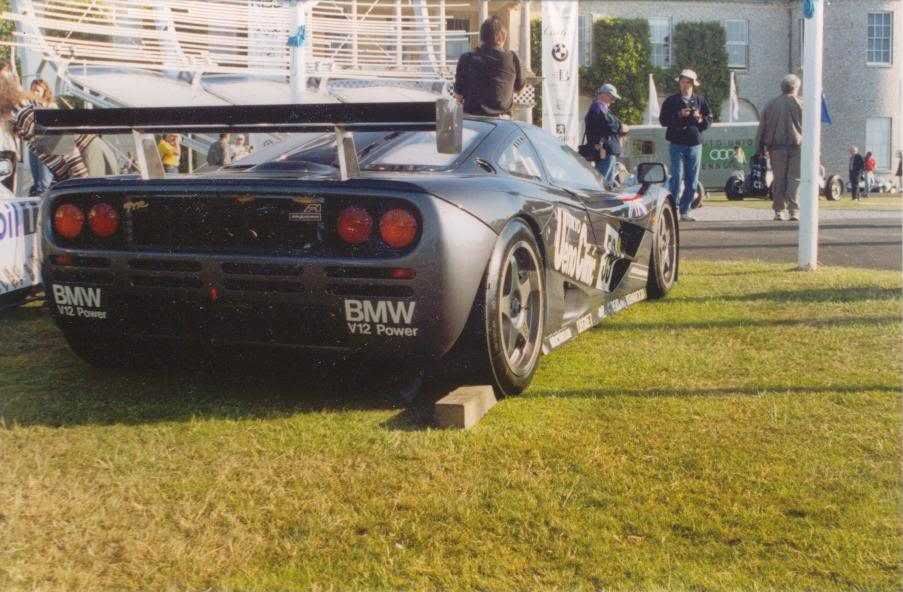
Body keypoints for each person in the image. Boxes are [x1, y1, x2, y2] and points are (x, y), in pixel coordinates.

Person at [0, 73, 91, 184]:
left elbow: (66, 148)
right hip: (79, 158)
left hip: (84, 157)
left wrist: (82, 181)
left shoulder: (22, 115)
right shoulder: (18, 113)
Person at [659, 69, 712, 222]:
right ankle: (672, 209)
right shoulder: (671, 101)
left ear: (693, 84)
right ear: (679, 83)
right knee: (676, 177)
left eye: (688, 82)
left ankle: (685, 211)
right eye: (682, 82)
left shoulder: (700, 100)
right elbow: (663, 121)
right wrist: (679, 115)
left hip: (695, 144)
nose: (685, 85)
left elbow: (709, 120)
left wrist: (699, 119)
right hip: (677, 143)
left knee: (692, 179)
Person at [453, 16, 524, 117]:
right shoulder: (512, 58)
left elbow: (458, 96)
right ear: (500, 37)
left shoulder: (466, 58)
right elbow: (519, 89)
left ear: (482, 37)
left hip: (472, 119)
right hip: (501, 120)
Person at [756, 74, 803, 221]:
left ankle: (779, 210)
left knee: (779, 179)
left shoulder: (770, 105)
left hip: (776, 147)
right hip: (797, 147)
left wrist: (759, 147)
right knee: (795, 179)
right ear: (796, 87)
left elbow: (762, 127)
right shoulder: (802, 104)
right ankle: (794, 210)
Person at [584, 83, 624, 188]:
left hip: (607, 150)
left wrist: (618, 125)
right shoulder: (597, 108)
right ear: (604, 95)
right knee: (602, 183)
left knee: (607, 184)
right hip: (604, 151)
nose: (613, 101)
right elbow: (609, 125)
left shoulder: (602, 108)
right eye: (612, 97)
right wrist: (620, 126)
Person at [27, 79, 57, 196]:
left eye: (37, 91)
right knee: (37, 179)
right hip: (33, 144)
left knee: (45, 180)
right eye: (32, 90)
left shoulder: (51, 106)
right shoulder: (30, 106)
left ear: (45, 92)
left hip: (47, 146)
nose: (34, 93)